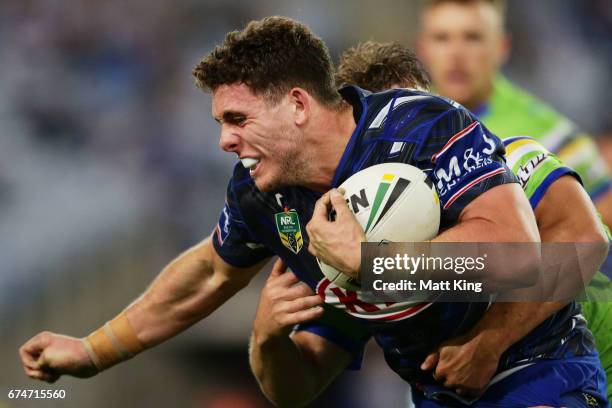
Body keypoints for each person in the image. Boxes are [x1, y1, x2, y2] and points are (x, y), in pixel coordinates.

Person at [17, 17, 606, 407]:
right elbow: (209, 273)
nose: (224, 141)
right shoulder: (279, 205)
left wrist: (381, 267)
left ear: (299, 105)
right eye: (220, 124)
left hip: (542, 375)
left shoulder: (434, 128)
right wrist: (95, 349)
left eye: (237, 120)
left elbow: (528, 256)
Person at [249, 40, 609, 407]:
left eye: (419, 118)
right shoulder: (352, 246)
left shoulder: (508, 163)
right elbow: (300, 385)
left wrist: (489, 342)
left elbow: (586, 243)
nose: (409, 149)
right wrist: (266, 338)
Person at [416, 0, 612, 227]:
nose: (456, 54)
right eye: (442, 38)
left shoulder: (551, 136)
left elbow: (601, 228)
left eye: (473, 38)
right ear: (423, 49)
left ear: (502, 47)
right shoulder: (398, 125)